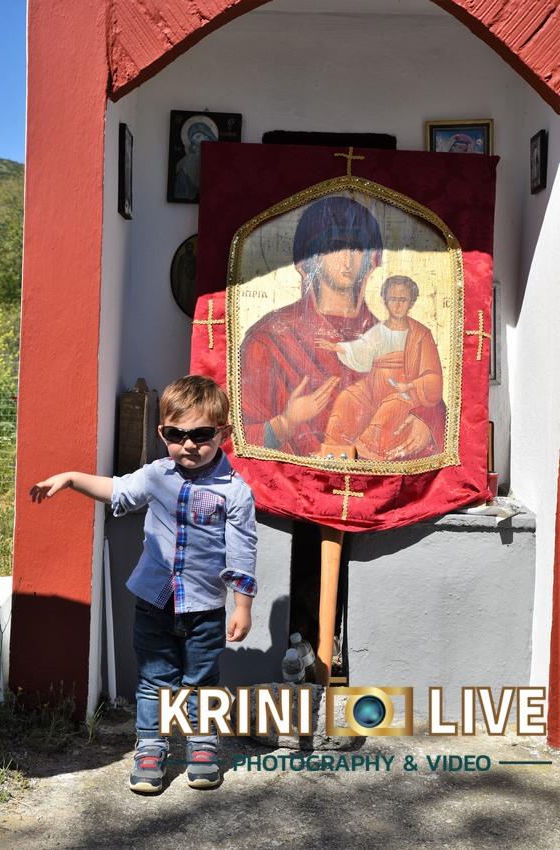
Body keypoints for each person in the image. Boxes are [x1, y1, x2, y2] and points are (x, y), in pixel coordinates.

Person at [30, 376, 257, 793]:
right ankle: (151, 748)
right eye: (176, 434)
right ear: (162, 433)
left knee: (201, 681)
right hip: (154, 602)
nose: (188, 444)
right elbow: (117, 489)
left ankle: (202, 747)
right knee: (155, 681)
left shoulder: (236, 492)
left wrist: (242, 604)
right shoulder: (155, 476)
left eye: (201, 435)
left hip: (205, 607)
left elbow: (242, 551)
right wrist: (72, 478)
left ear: (222, 433)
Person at [239, 195, 439, 460]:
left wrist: (426, 423)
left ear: (371, 260)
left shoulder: (396, 335)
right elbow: (237, 437)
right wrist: (285, 423)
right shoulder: (269, 338)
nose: (348, 260)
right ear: (308, 259)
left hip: (375, 478)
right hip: (300, 480)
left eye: (357, 248)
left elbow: (433, 397)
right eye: (334, 246)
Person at [318, 275, 445, 460]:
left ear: (411, 302)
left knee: (391, 407)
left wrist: (411, 385)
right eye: (393, 299)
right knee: (347, 398)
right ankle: (334, 453)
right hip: (372, 388)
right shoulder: (378, 330)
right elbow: (361, 349)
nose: (397, 305)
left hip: (406, 393)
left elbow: (433, 376)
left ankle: (365, 455)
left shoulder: (421, 335)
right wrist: (337, 347)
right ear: (385, 301)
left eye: (403, 299)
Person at [175, 116, 219, 200]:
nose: (196, 141)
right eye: (193, 140)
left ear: (207, 135)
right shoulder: (189, 160)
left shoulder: (218, 156)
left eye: (198, 136)